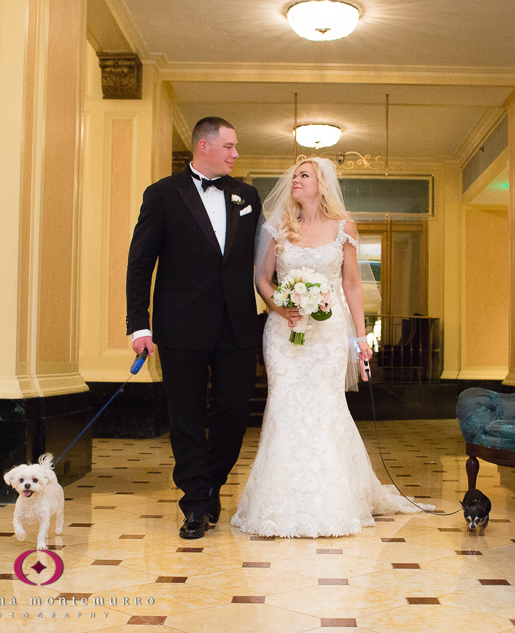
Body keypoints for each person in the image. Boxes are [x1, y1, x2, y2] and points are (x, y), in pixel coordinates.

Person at [231, 157, 433, 538]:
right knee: (285, 409)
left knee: (325, 409)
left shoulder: (344, 229)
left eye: (303, 175)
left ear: (321, 184)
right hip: (283, 333)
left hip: (327, 336)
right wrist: (280, 304)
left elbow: (353, 285)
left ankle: (331, 502)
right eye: (294, 176)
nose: (295, 181)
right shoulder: (278, 227)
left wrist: (361, 339)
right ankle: (278, 505)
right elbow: (262, 278)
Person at [126, 117, 262, 540]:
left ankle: (211, 483)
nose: (236, 154)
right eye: (230, 146)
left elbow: (265, 255)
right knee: (185, 416)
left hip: (237, 325)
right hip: (180, 325)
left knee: (235, 413)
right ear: (204, 146)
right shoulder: (163, 194)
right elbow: (140, 262)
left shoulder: (247, 196)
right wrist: (138, 326)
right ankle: (195, 504)